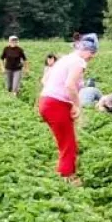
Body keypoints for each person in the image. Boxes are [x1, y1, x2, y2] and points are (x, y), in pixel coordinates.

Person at [38, 33, 97, 180]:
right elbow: (70, 85)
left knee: (66, 141)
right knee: (68, 144)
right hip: (55, 104)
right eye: (92, 52)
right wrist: (77, 105)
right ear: (83, 49)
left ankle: (65, 172)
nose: (92, 56)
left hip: (47, 101)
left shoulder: (66, 59)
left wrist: (69, 104)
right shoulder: (78, 62)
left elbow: (45, 81)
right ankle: (67, 177)